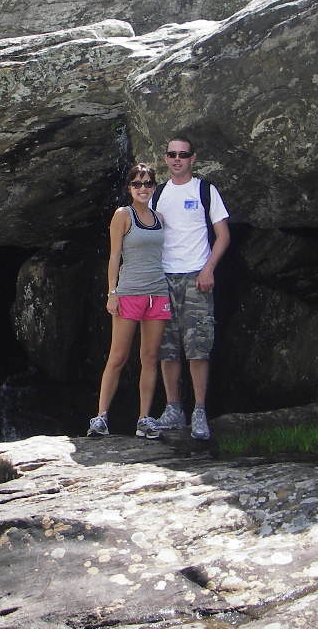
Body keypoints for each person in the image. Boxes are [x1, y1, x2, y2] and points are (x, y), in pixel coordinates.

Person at [151, 136, 230, 440]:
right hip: (164, 278)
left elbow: (223, 235)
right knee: (166, 348)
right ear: (165, 158)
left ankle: (199, 410)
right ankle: (173, 409)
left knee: (198, 347)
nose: (177, 159)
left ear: (193, 158)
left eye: (183, 154)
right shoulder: (157, 195)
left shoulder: (205, 191)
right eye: (171, 154)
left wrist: (209, 268)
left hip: (197, 276)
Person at [87, 163, 171, 439]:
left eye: (147, 183)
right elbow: (114, 256)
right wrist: (112, 293)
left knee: (149, 357)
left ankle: (144, 418)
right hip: (129, 293)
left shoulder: (159, 217)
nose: (143, 188)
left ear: (154, 187)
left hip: (157, 294)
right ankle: (100, 417)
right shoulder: (123, 215)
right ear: (129, 188)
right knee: (118, 356)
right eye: (137, 184)